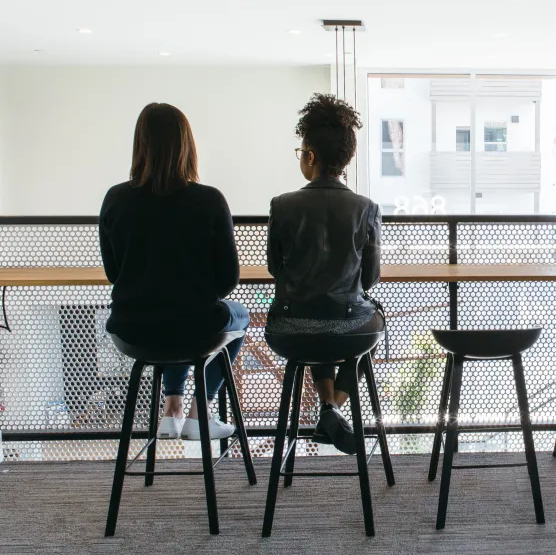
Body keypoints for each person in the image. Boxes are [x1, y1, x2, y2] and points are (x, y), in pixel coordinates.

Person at [100, 103, 249, 441]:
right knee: (235, 317)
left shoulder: (115, 199)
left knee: (175, 318)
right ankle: (200, 411)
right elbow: (227, 282)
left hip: (131, 330)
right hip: (194, 326)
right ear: (187, 144)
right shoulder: (209, 200)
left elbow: (114, 273)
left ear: (140, 145)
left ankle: (172, 409)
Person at [266, 93, 384, 455]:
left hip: (289, 330)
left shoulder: (282, 205)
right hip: (348, 330)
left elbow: (274, 267)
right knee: (373, 322)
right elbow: (369, 280)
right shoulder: (367, 208)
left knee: (313, 320)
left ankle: (327, 409)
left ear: (311, 156)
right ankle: (333, 408)